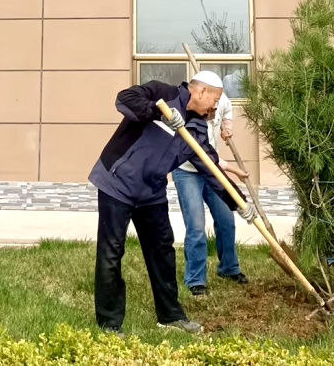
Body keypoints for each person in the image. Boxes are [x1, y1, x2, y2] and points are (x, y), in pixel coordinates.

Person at [87, 71, 257, 336]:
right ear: (200, 92)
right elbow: (124, 99)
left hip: (151, 192)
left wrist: (239, 202)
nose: (216, 107)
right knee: (112, 253)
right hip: (117, 181)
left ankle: (169, 316)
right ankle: (109, 323)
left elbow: (210, 166)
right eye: (215, 100)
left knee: (162, 251)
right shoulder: (161, 93)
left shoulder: (198, 127)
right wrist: (158, 113)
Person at [173, 91, 250, 296]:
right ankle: (195, 279)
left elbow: (228, 110)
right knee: (196, 226)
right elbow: (205, 156)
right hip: (188, 170)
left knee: (226, 219)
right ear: (200, 96)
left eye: (215, 106)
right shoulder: (188, 110)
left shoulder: (222, 100)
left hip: (211, 168)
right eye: (211, 108)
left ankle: (228, 267)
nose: (211, 112)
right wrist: (234, 171)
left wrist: (227, 127)